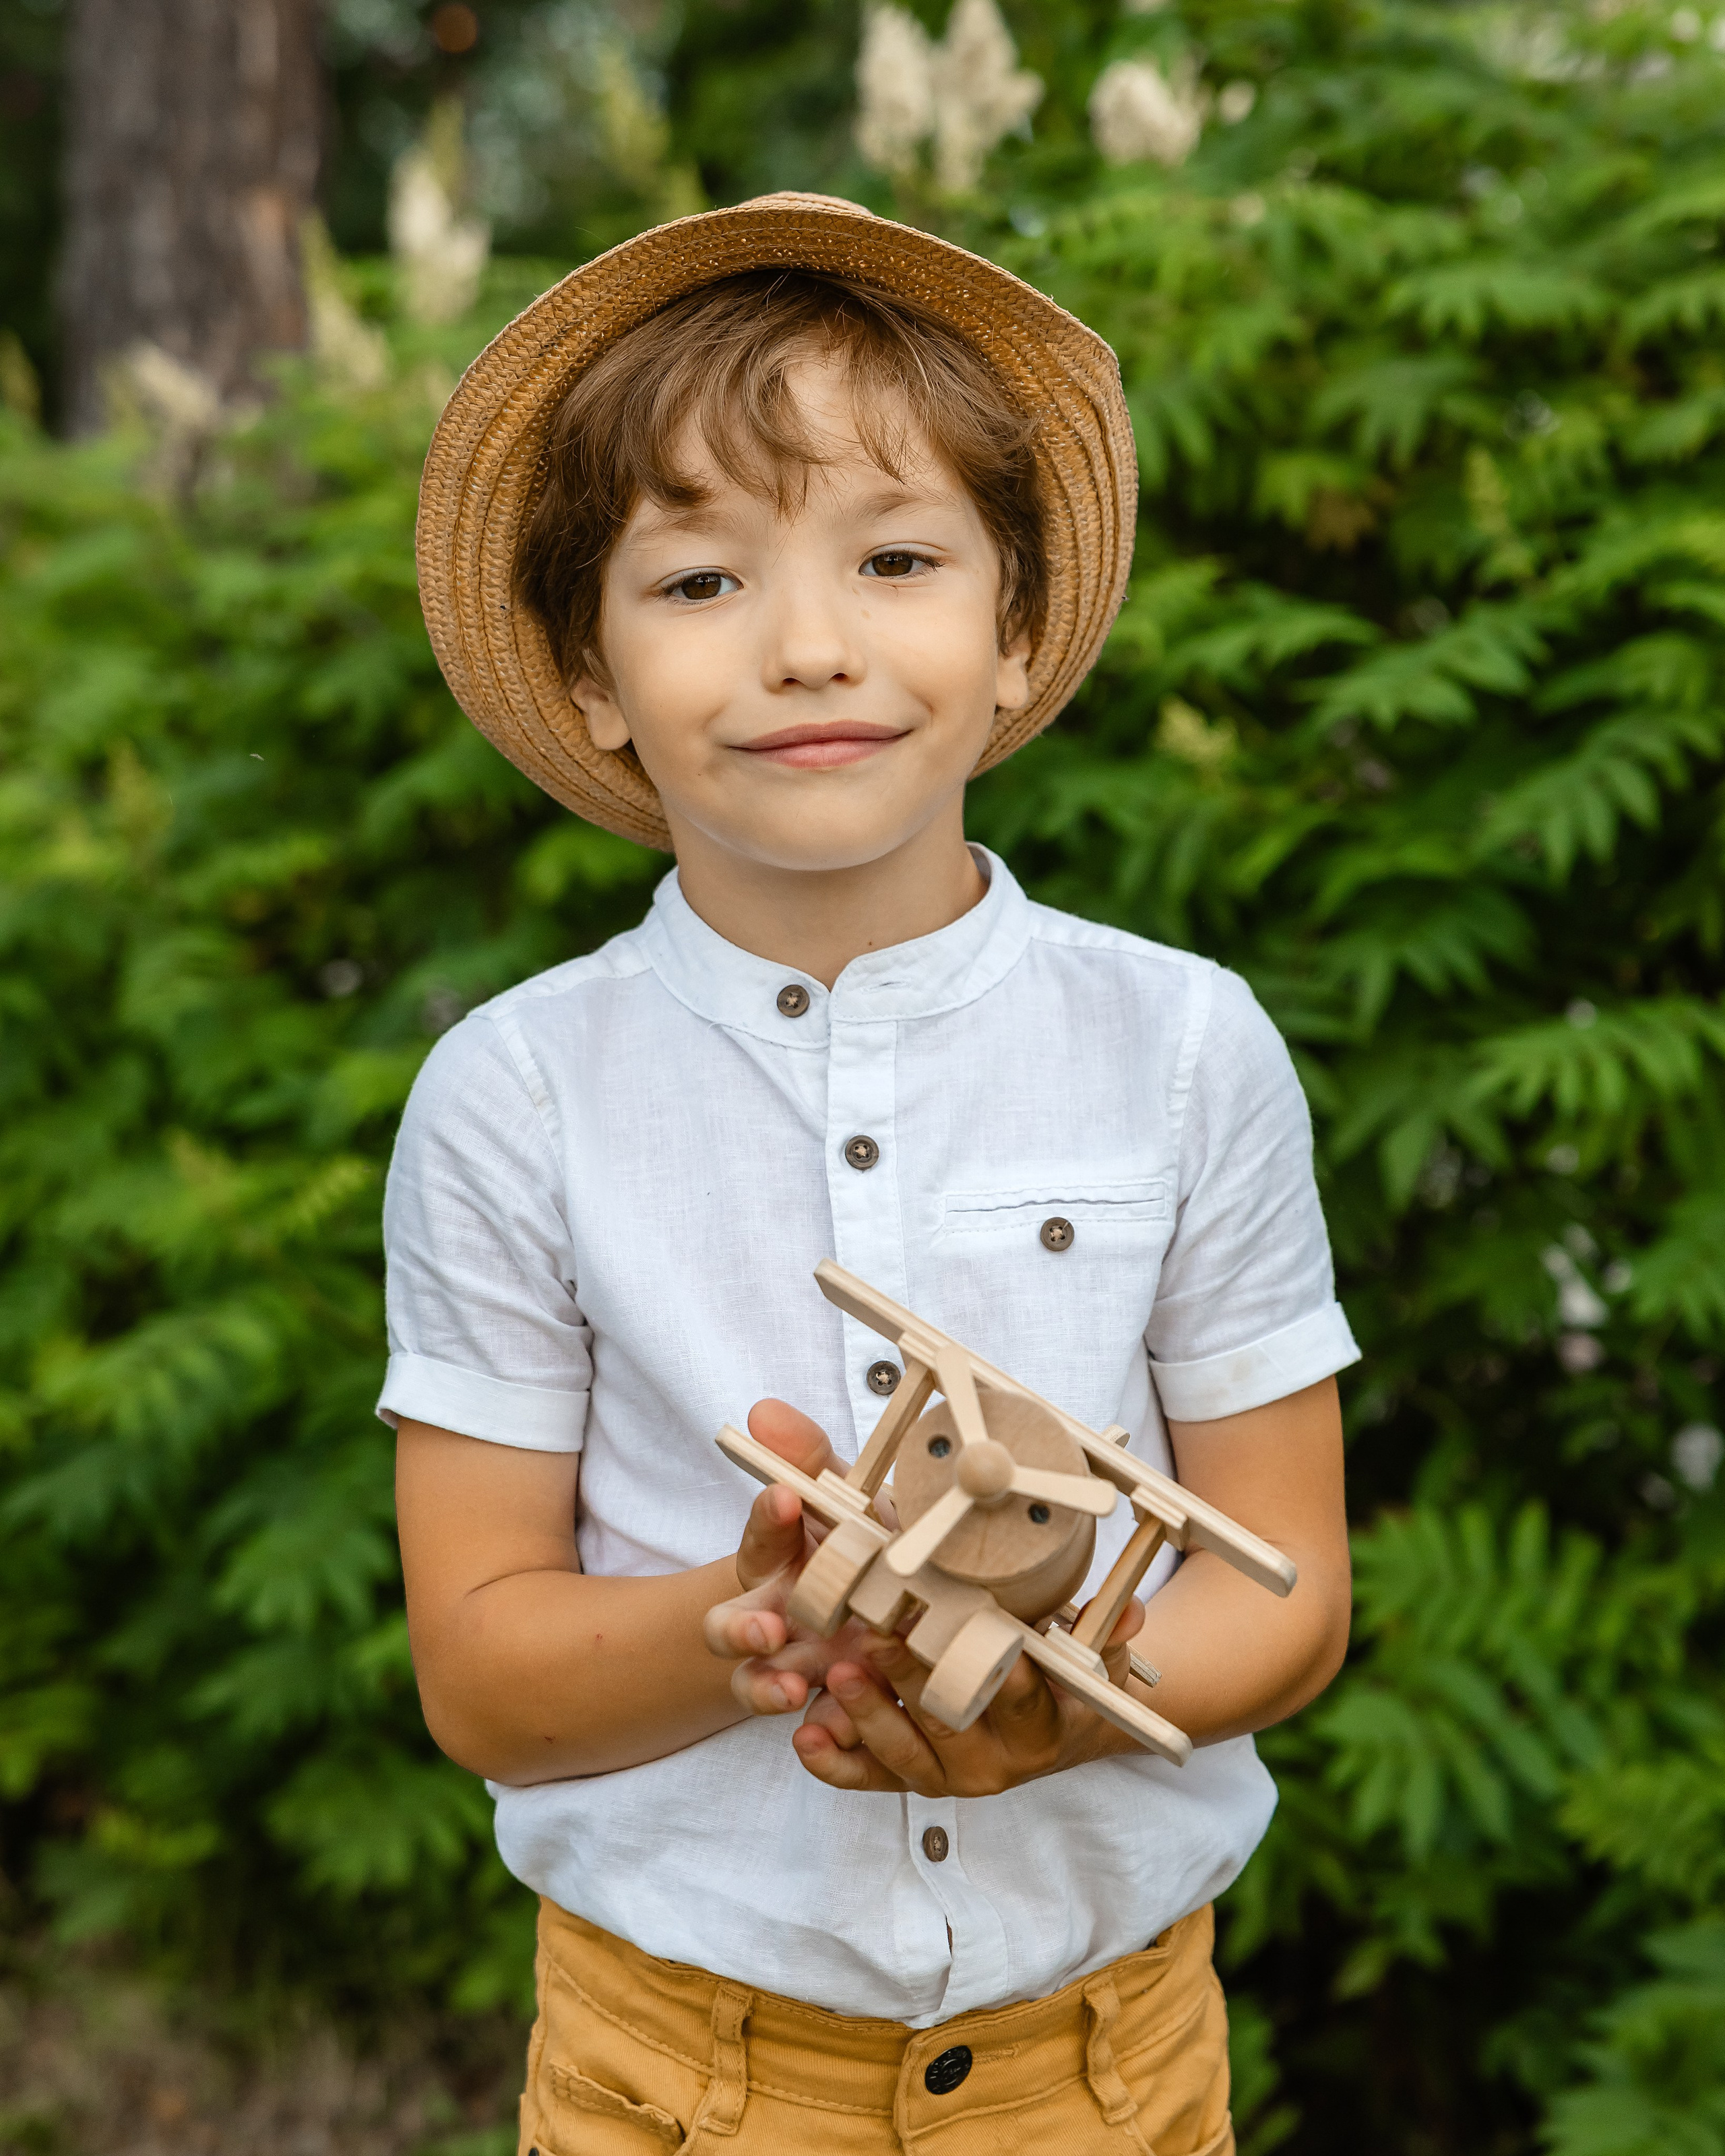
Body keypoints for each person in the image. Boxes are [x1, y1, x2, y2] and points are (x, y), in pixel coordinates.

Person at [389, 193, 1357, 2155]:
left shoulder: (1184, 1046)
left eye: (897, 558)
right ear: (591, 677)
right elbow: (483, 1673)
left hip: (1107, 2070)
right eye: (699, 581)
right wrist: (749, 1617)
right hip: (677, 2075)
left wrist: (1070, 1704)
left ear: (1016, 632)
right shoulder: (517, 1094)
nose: (810, 646)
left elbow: (1291, 1587)